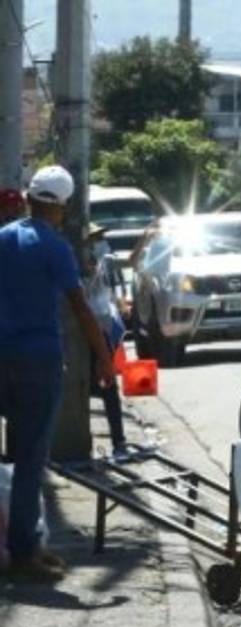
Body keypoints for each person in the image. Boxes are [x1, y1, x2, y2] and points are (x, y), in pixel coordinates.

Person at [0, 165, 114, 580]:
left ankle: (26, 542)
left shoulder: (3, 237)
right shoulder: (55, 247)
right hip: (38, 360)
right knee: (30, 457)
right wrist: (104, 358)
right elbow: (81, 308)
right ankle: (23, 552)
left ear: (30, 198)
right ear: (61, 207)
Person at [83, 223, 128, 454]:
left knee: (109, 388)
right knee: (90, 386)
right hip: (83, 334)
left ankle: (119, 441)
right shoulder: (79, 267)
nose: (101, 242)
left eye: (102, 237)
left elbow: (129, 265)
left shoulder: (105, 263)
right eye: (97, 238)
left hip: (104, 331)